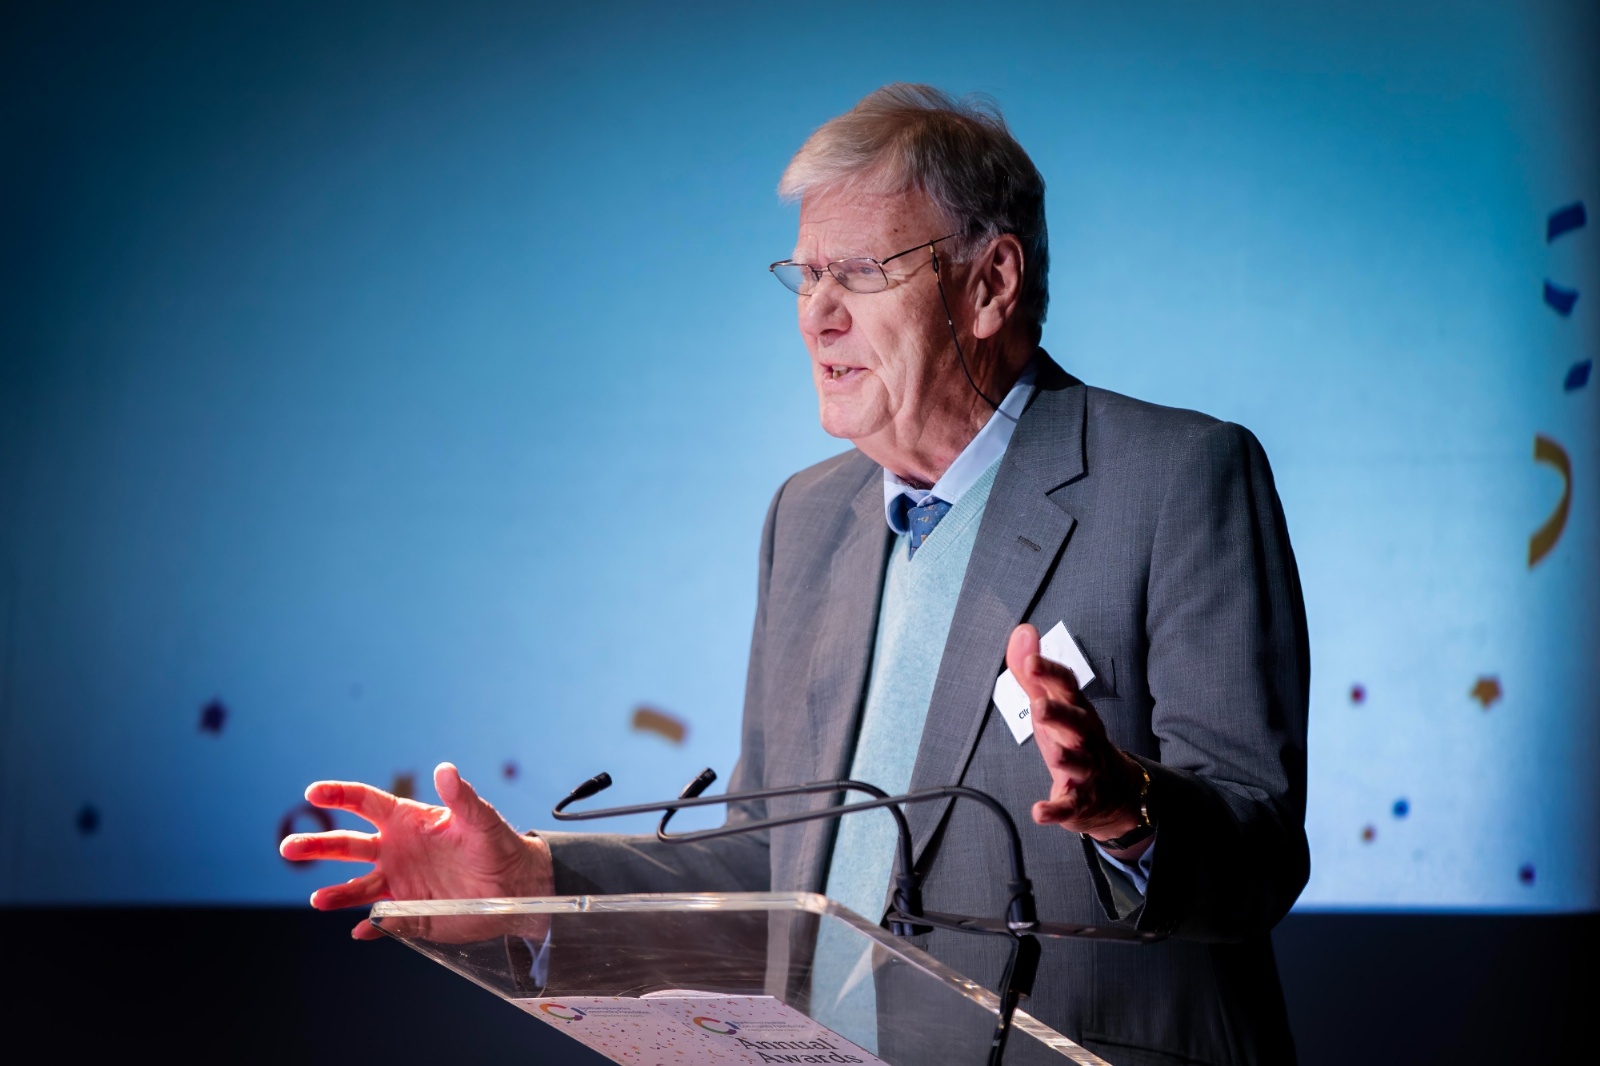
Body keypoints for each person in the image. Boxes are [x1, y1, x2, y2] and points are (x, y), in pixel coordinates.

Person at [283, 84, 1310, 1066]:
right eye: (806, 275)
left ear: (989, 284)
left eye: (859, 272)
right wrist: (534, 881)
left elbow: (1259, 849)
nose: (817, 314)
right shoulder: (810, 518)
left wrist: (1130, 809)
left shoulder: (1176, 476)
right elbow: (768, 869)